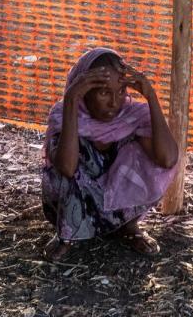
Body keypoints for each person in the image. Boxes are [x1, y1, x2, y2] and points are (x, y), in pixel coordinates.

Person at [41, 47, 179, 261]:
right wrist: (71, 99)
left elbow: (167, 159)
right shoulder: (64, 115)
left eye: (122, 91)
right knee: (71, 153)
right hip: (75, 206)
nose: (115, 103)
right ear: (83, 92)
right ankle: (67, 235)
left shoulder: (132, 116)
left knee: (147, 153)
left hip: (115, 203)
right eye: (104, 92)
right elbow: (67, 168)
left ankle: (127, 226)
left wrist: (151, 96)